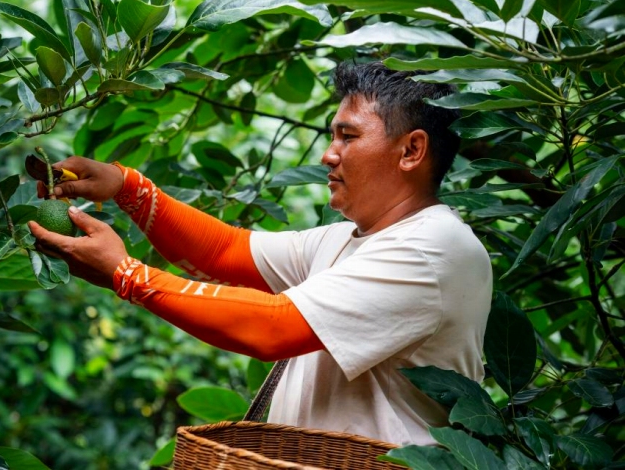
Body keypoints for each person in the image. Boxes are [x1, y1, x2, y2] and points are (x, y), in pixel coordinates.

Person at [30, 61, 492, 446]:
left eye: (347, 137)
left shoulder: (432, 248)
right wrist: (127, 187)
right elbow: (225, 250)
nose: (328, 155)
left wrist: (126, 274)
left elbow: (272, 327)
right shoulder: (350, 239)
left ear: (411, 150)